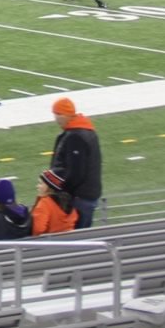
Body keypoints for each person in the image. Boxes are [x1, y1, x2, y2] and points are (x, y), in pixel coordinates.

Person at [49, 97, 103, 229]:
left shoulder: (75, 136)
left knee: (76, 237)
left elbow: (75, 172)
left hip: (79, 198)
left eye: (57, 115)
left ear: (64, 115)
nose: (56, 119)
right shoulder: (87, 131)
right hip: (87, 195)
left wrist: (60, 190)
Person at [31, 169, 80, 236]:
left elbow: (38, 230)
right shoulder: (68, 200)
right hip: (69, 241)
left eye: (41, 183)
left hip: (49, 243)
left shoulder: (45, 203)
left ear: (49, 186)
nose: (37, 186)